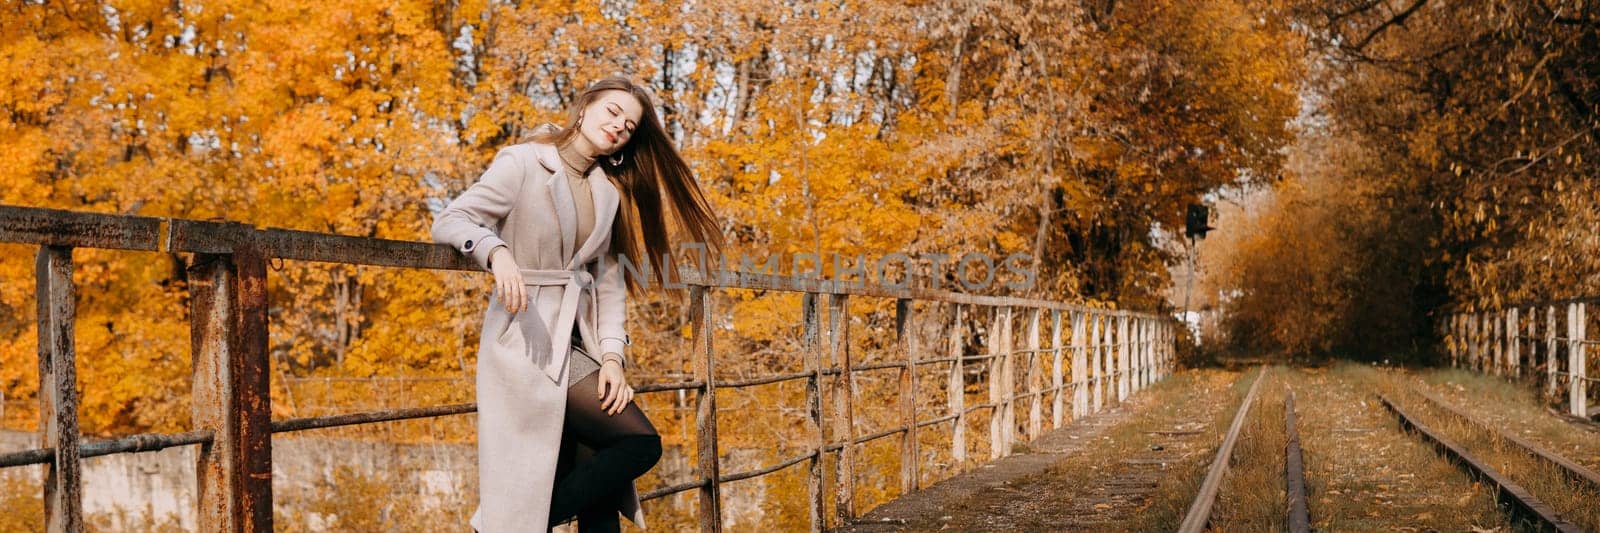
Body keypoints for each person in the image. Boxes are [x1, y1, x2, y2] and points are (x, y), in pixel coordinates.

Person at [432, 77, 724, 532]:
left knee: (607, 488)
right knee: (637, 444)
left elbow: (608, 284)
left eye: (628, 127)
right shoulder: (524, 162)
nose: (618, 127)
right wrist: (496, 252)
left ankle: (507, 525)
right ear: (584, 107)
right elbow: (453, 218)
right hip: (525, 341)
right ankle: (502, 525)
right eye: (612, 112)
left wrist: (612, 358)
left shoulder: (608, 192)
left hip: (578, 343)